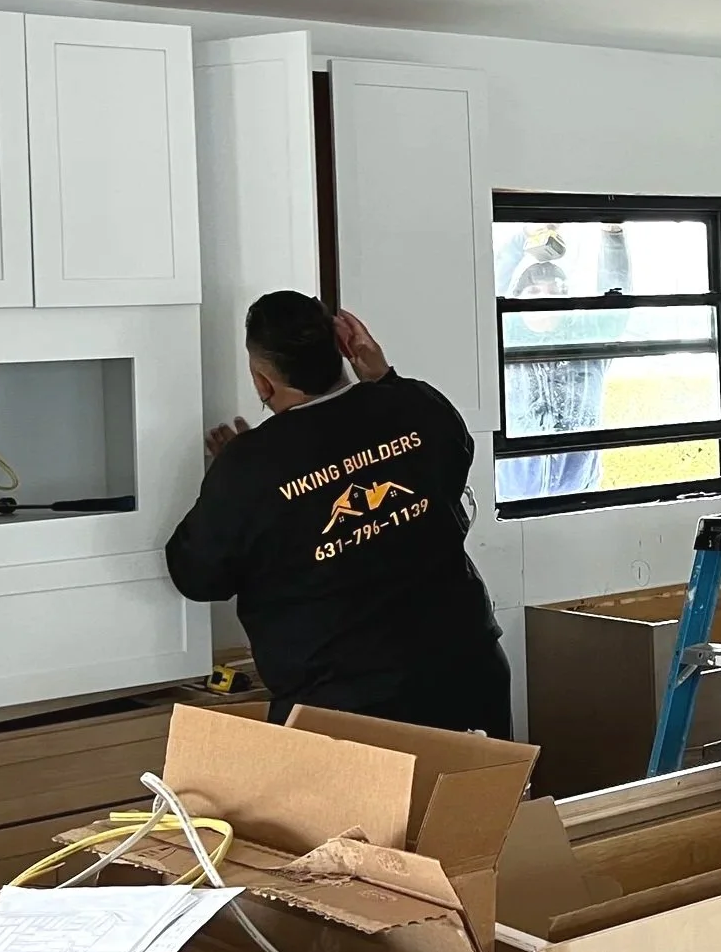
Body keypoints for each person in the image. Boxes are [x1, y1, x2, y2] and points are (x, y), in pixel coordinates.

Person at [165, 291, 511, 735]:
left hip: (345, 707)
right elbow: (454, 460)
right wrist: (383, 377)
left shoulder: (249, 467)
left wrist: (238, 480)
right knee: (483, 785)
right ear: (343, 349)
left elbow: (197, 575)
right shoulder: (413, 405)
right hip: (467, 674)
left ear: (263, 383)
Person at [494, 221, 629, 502]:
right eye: (533, 291)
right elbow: (484, 295)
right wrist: (523, 236)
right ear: (514, 301)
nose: (545, 297)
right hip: (512, 499)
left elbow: (616, 300)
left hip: (580, 495)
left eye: (556, 290)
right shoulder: (503, 339)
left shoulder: (589, 339)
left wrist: (612, 233)